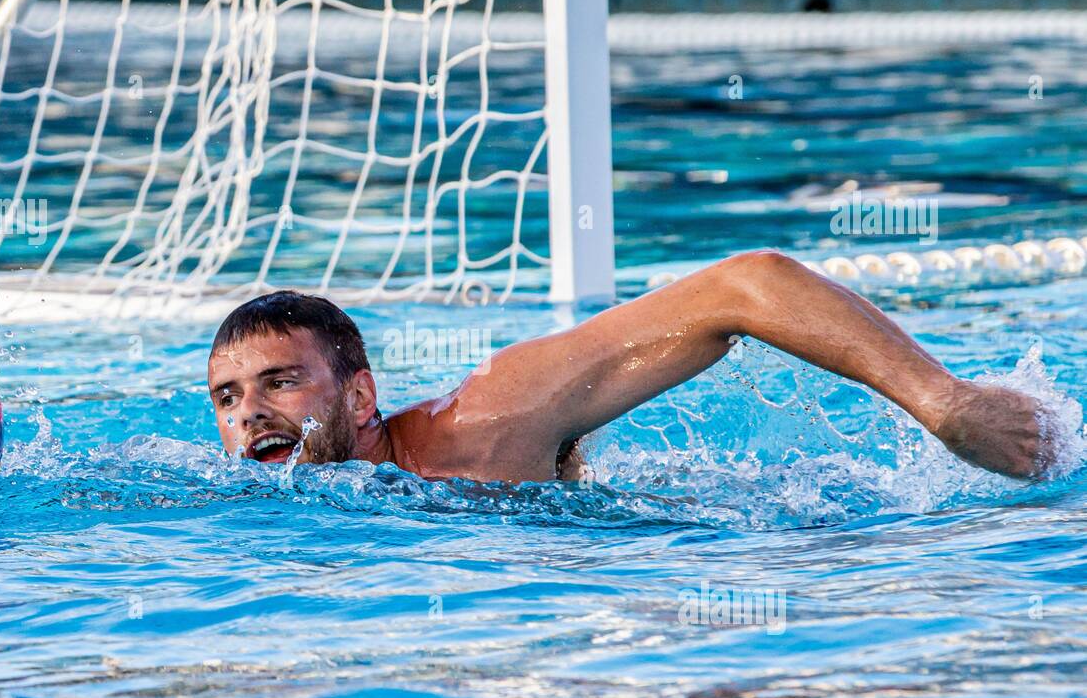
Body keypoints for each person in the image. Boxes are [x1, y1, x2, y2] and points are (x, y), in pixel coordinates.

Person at [207, 250, 1049, 482]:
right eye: (227, 398)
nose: (248, 414)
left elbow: (747, 285)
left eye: (280, 381)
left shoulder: (488, 418)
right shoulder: (224, 518)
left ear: (360, 394)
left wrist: (945, 404)